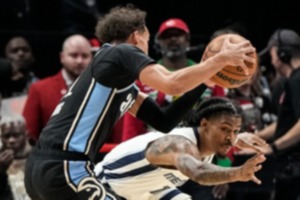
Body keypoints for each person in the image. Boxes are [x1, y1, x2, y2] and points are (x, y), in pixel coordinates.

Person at [24, 5, 256, 200]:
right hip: (65, 168)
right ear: (137, 36)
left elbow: (163, 120)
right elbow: (172, 83)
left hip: (40, 169)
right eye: (147, 39)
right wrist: (220, 60)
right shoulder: (120, 52)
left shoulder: (114, 79)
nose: (148, 48)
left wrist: (206, 80)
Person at [95, 97, 266, 200]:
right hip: (105, 187)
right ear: (204, 124)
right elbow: (198, 172)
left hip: (146, 192)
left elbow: (227, 137)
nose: (230, 137)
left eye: (235, 130)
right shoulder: (178, 145)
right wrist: (238, 173)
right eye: (225, 129)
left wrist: (237, 138)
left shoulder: (210, 139)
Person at [249, 29, 300, 200]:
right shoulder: (293, 80)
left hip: (294, 168)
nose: (271, 59)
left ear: (281, 53)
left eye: (271, 53)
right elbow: (288, 122)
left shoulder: (297, 80)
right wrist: (256, 136)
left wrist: (274, 147)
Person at [23, 34, 92, 141]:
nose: (79, 61)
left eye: (84, 56)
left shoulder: (102, 89)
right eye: (74, 55)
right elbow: (28, 135)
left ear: (92, 58)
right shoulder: (40, 89)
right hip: (50, 155)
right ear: (62, 57)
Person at [0, 114, 32, 200]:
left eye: (16, 135)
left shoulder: (38, 156)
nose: (11, 140)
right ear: (1, 137)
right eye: (7, 136)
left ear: (26, 134)